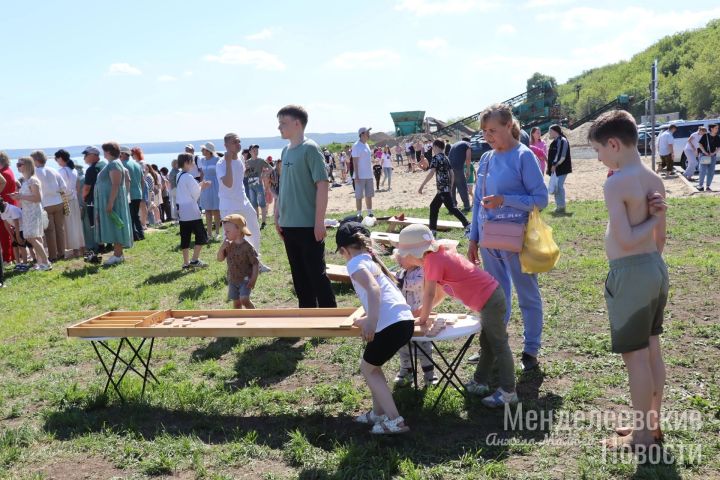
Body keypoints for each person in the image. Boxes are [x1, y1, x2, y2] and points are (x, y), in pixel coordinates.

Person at [587, 109, 668, 449]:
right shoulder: (654, 179)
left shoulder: (616, 182)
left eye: (598, 149)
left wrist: (654, 218)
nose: (599, 156)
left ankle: (642, 437)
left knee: (635, 357)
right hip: (654, 269)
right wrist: (657, 217)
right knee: (651, 349)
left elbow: (625, 237)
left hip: (631, 273)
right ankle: (652, 425)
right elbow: (659, 241)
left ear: (614, 144)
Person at [397, 223, 517, 407]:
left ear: (415, 253)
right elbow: (439, 293)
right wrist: (422, 310)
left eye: (407, 256)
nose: (406, 259)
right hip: (490, 299)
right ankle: (479, 382)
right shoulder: (438, 255)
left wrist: (422, 319)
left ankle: (509, 392)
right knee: (487, 344)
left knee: (499, 344)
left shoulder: (432, 262)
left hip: (490, 301)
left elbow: (429, 293)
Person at [468, 104, 548, 372]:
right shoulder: (487, 159)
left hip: (518, 240)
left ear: (508, 126)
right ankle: (492, 348)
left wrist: (505, 200)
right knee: (494, 297)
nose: (487, 136)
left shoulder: (524, 157)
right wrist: (473, 238)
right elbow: (478, 201)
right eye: (484, 131)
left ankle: (531, 350)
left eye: (492, 130)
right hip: (490, 242)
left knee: (527, 294)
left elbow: (541, 199)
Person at [336, 222, 413, 434]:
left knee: (367, 368)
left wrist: (371, 321)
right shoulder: (369, 260)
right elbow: (378, 297)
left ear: (344, 250)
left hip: (391, 325)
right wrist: (367, 318)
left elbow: (374, 290)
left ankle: (395, 421)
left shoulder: (354, 264)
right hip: (403, 322)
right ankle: (378, 414)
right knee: (373, 367)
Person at [275, 104, 336, 308]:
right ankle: (307, 316)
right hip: (289, 224)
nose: (279, 127)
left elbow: (322, 185)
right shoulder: (285, 151)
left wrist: (319, 222)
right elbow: (284, 186)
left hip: (308, 224)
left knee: (316, 274)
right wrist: (277, 216)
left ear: (297, 123)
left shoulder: (310, 148)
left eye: (283, 123)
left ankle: (330, 319)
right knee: (299, 275)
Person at [217, 134, 269, 272]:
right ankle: (232, 268)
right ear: (226, 146)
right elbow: (228, 183)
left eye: (239, 141)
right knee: (229, 237)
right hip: (229, 204)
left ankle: (255, 263)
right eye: (234, 142)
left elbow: (241, 176)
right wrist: (228, 163)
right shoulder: (221, 163)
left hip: (243, 201)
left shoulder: (240, 157)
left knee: (254, 230)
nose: (238, 144)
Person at [392, 249, 438, 387]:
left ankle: (429, 374)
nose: (398, 262)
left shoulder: (422, 271)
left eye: (400, 259)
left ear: (410, 258)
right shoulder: (401, 273)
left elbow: (417, 284)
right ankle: (406, 371)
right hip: (405, 315)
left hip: (420, 313)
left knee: (424, 344)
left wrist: (400, 282)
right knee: (403, 344)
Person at [418, 139, 470, 236]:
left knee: (452, 208)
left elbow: (431, 172)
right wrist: (450, 186)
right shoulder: (446, 158)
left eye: (433, 147)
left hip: (442, 189)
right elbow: (452, 173)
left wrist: (422, 186)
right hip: (445, 188)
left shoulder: (436, 158)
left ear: (436, 146)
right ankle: (433, 230)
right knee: (434, 206)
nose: (432, 149)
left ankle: (468, 225)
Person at [8, 157, 51, 270]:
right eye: (17, 164)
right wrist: (18, 195)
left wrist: (20, 196)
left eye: (19, 164)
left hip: (33, 211)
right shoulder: (27, 180)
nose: (17, 166)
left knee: (32, 237)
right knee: (36, 237)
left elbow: (38, 198)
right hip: (27, 212)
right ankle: (42, 262)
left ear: (27, 165)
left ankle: (46, 262)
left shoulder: (33, 180)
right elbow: (29, 196)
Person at [94, 142, 133, 266]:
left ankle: (117, 255)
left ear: (109, 152)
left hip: (114, 202)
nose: (103, 153)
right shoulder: (113, 164)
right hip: (112, 200)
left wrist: (110, 203)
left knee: (116, 226)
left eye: (104, 151)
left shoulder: (114, 164)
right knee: (114, 225)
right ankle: (118, 254)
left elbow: (116, 185)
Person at [31, 150, 67, 262]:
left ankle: (52, 255)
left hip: (45, 204)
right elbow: (63, 187)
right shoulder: (53, 170)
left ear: (36, 160)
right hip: (58, 202)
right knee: (60, 228)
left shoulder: (34, 173)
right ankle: (62, 252)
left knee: (50, 231)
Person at [176, 153, 210, 269]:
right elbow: (195, 194)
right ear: (186, 163)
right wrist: (203, 186)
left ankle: (186, 263)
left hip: (183, 211)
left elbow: (188, 190)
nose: (193, 164)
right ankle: (194, 259)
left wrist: (199, 185)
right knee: (201, 236)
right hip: (192, 211)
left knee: (185, 237)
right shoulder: (189, 177)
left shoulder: (179, 175)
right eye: (191, 161)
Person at [217, 214, 259, 309]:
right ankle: (238, 319)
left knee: (244, 299)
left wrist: (253, 279)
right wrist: (221, 248)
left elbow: (255, 264)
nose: (225, 234)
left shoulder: (248, 247)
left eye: (227, 231)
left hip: (245, 280)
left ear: (239, 230)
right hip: (232, 279)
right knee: (236, 304)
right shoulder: (228, 245)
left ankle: (255, 316)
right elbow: (219, 259)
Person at [55, 149, 85, 258]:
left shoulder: (62, 171)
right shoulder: (74, 170)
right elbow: (76, 186)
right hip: (74, 198)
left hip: (66, 199)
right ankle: (80, 247)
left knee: (69, 224)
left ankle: (75, 250)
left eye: (57, 158)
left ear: (61, 158)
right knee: (76, 223)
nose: (56, 161)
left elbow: (62, 188)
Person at [81, 146, 106, 253]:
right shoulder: (105, 165)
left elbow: (87, 188)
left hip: (93, 201)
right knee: (105, 222)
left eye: (86, 155)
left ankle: (100, 246)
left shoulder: (92, 169)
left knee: (95, 224)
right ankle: (109, 243)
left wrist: (83, 197)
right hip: (105, 199)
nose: (84, 158)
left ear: (93, 155)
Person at [547, 124, 572, 214]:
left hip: (561, 168)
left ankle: (561, 207)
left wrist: (554, 165)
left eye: (550, 131)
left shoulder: (562, 140)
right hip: (556, 168)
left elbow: (562, 156)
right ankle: (559, 206)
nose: (549, 133)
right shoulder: (555, 141)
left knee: (559, 187)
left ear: (554, 131)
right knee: (557, 187)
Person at [198, 142, 221, 239]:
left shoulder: (217, 160)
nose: (202, 151)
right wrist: (200, 184)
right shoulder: (202, 160)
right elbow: (202, 173)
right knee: (207, 210)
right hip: (206, 185)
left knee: (216, 209)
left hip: (216, 185)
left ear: (209, 151)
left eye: (203, 149)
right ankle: (209, 233)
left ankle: (217, 232)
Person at [121, 147, 145, 241]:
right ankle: (140, 233)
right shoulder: (137, 164)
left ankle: (135, 235)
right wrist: (141, 192)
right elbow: (142, 181)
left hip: (129, 194)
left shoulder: (122, 164)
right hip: (138, 193)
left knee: (130, 216)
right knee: (135, 215)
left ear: (123, 154)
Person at [245, 144, 271, 229]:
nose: (256, 152)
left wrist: (263, 175)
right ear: (250, 152)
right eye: (254, 150)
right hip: (250, 185)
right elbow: (245, 174)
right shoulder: (247, 162)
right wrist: (245, 172)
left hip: (259, 185)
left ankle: (263, 222)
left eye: (256, 150)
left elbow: (271, 168)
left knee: (262, 204)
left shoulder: (261, 160)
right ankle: (256, 222)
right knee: (254, 204)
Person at [351, 127, 375, 217]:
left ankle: (370, 213)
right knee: (359, 196)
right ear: (362, 134)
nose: (369, 134)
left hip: (369, 175)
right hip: (360, 175)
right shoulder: (356, 145)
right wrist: (356, 175)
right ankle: (359, 214)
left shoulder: (367, 145)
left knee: (369, 195)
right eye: (368, 132)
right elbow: (355, 161)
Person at [0, 152, 18, 266]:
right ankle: (14, 256)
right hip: (11, 205)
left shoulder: (3, 173)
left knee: (4, 233)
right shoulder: (9, 170)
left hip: (5, 207)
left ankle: (7, 258)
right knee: (10, 232)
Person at [0, 200, 28, 270]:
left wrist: (18, 236)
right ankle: (18, 263)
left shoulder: (12, 209)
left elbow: (17, 223)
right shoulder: (1, 210)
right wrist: (12, 236)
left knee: (21, 246)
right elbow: (6, 224)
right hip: (16, 228)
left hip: (23, 227)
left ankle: (25, 264)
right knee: (14, 246)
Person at [448, 137, 472, 213]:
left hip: (449, 168)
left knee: (452, 187)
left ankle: (453, 206)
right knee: (462, 186)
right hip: (457, 167)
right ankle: (467, 206)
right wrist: (468, 169)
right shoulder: (468, 145)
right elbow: (468, 158)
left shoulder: (455, 144)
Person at [697, 124, 719, 192]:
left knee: (711, 172)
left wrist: (713, 153)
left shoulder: (717, 137)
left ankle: (708, 186)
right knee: (702, 171)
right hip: (704, 155)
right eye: (716, 128)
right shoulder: (705, 136)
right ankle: (700, 186)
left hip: (712, 156)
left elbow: (718, 147)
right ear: (711, 129)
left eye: (717, 128)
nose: (717, 129)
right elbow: (700, 144)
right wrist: (705, 152)